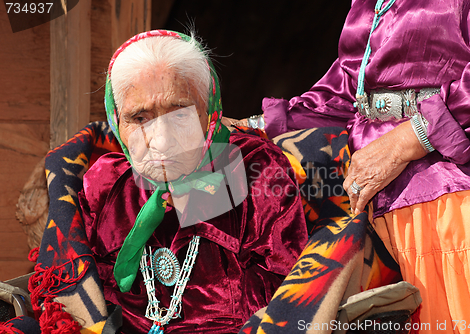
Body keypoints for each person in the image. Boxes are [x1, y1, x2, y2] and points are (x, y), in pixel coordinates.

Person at [14, 30, 308, 334]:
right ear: (116, 121)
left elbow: (289, 295)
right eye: (140, 118)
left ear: (210, 114)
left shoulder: (254, 171)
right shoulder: (107, 183)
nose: (162, 140)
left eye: (180, 115)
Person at [255, 0, 470, 332]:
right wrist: (250, 131)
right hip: (378, 222)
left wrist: (407, 141)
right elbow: (347, 94)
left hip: (465, 211)